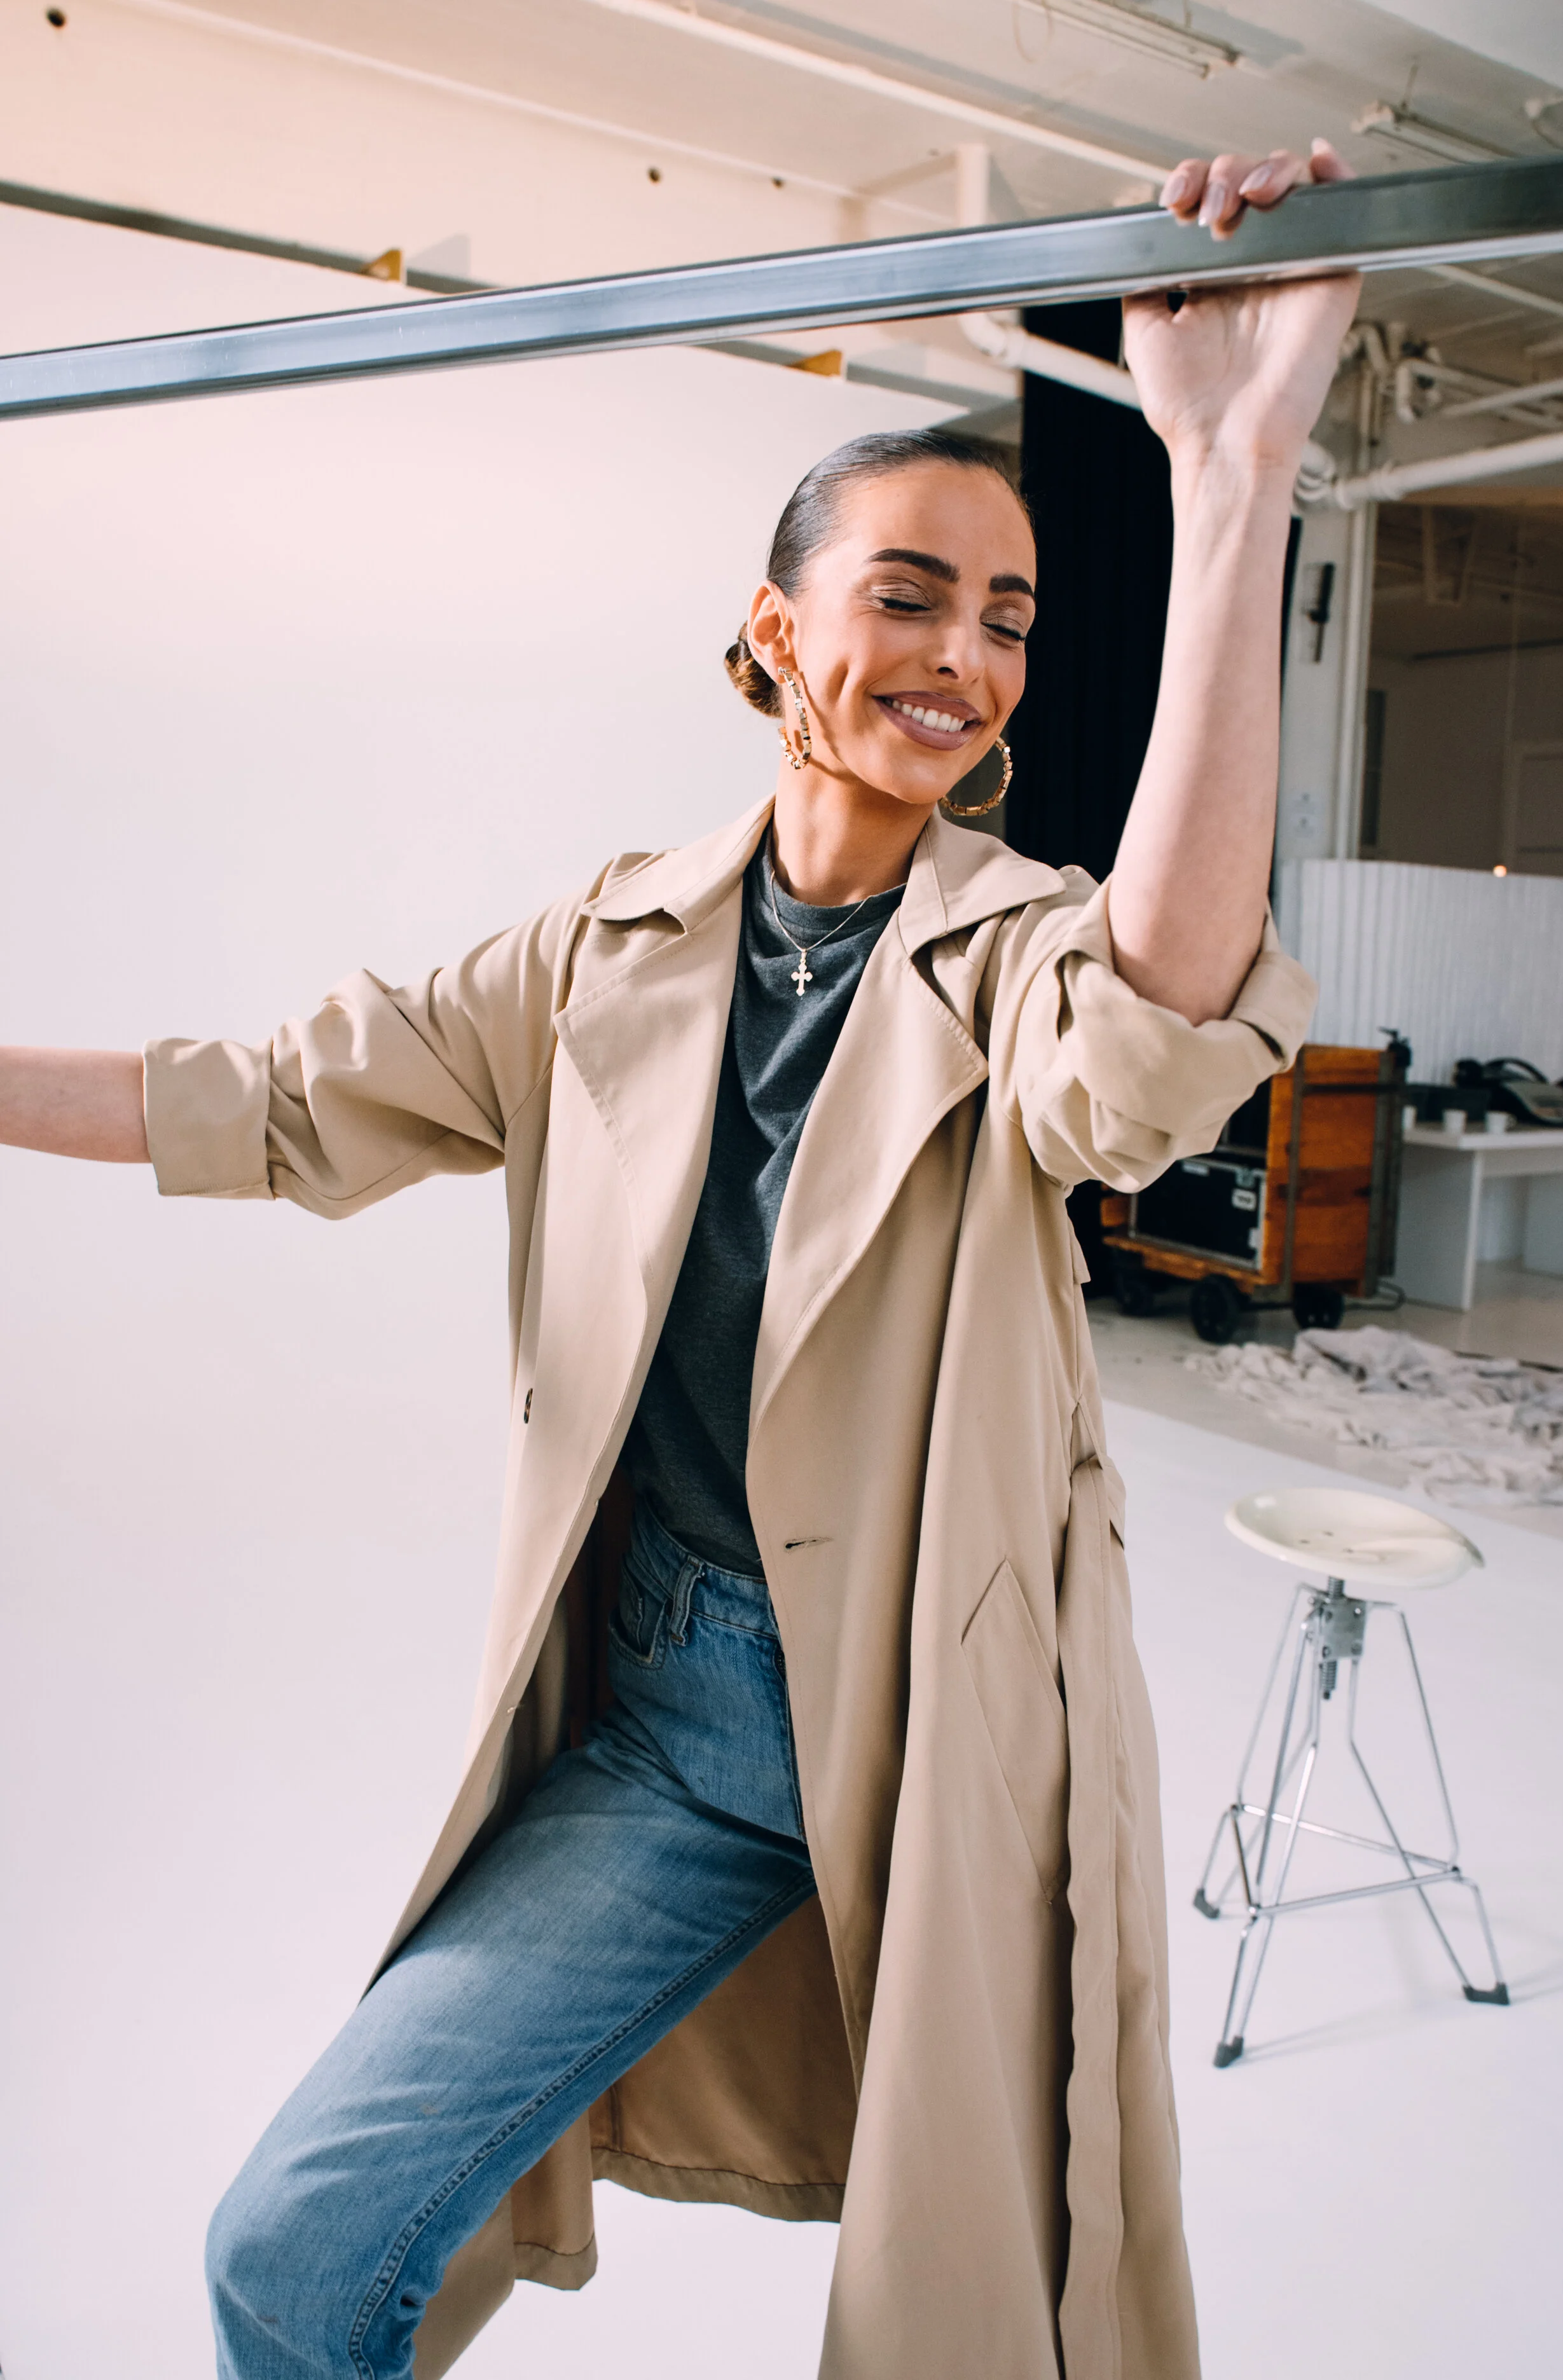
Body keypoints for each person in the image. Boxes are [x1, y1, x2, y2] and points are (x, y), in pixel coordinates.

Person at [0, 147, 1355, 2380]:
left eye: (1005, 615)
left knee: (973, 2324)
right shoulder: (594, 953)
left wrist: (1234, 467)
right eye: (907, 594)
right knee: (295, 2250)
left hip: (937, 1730)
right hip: (672, 1722)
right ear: (772, 634)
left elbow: (1154, 1050)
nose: (959, 656)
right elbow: (255, 1097)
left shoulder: (1016, 942)